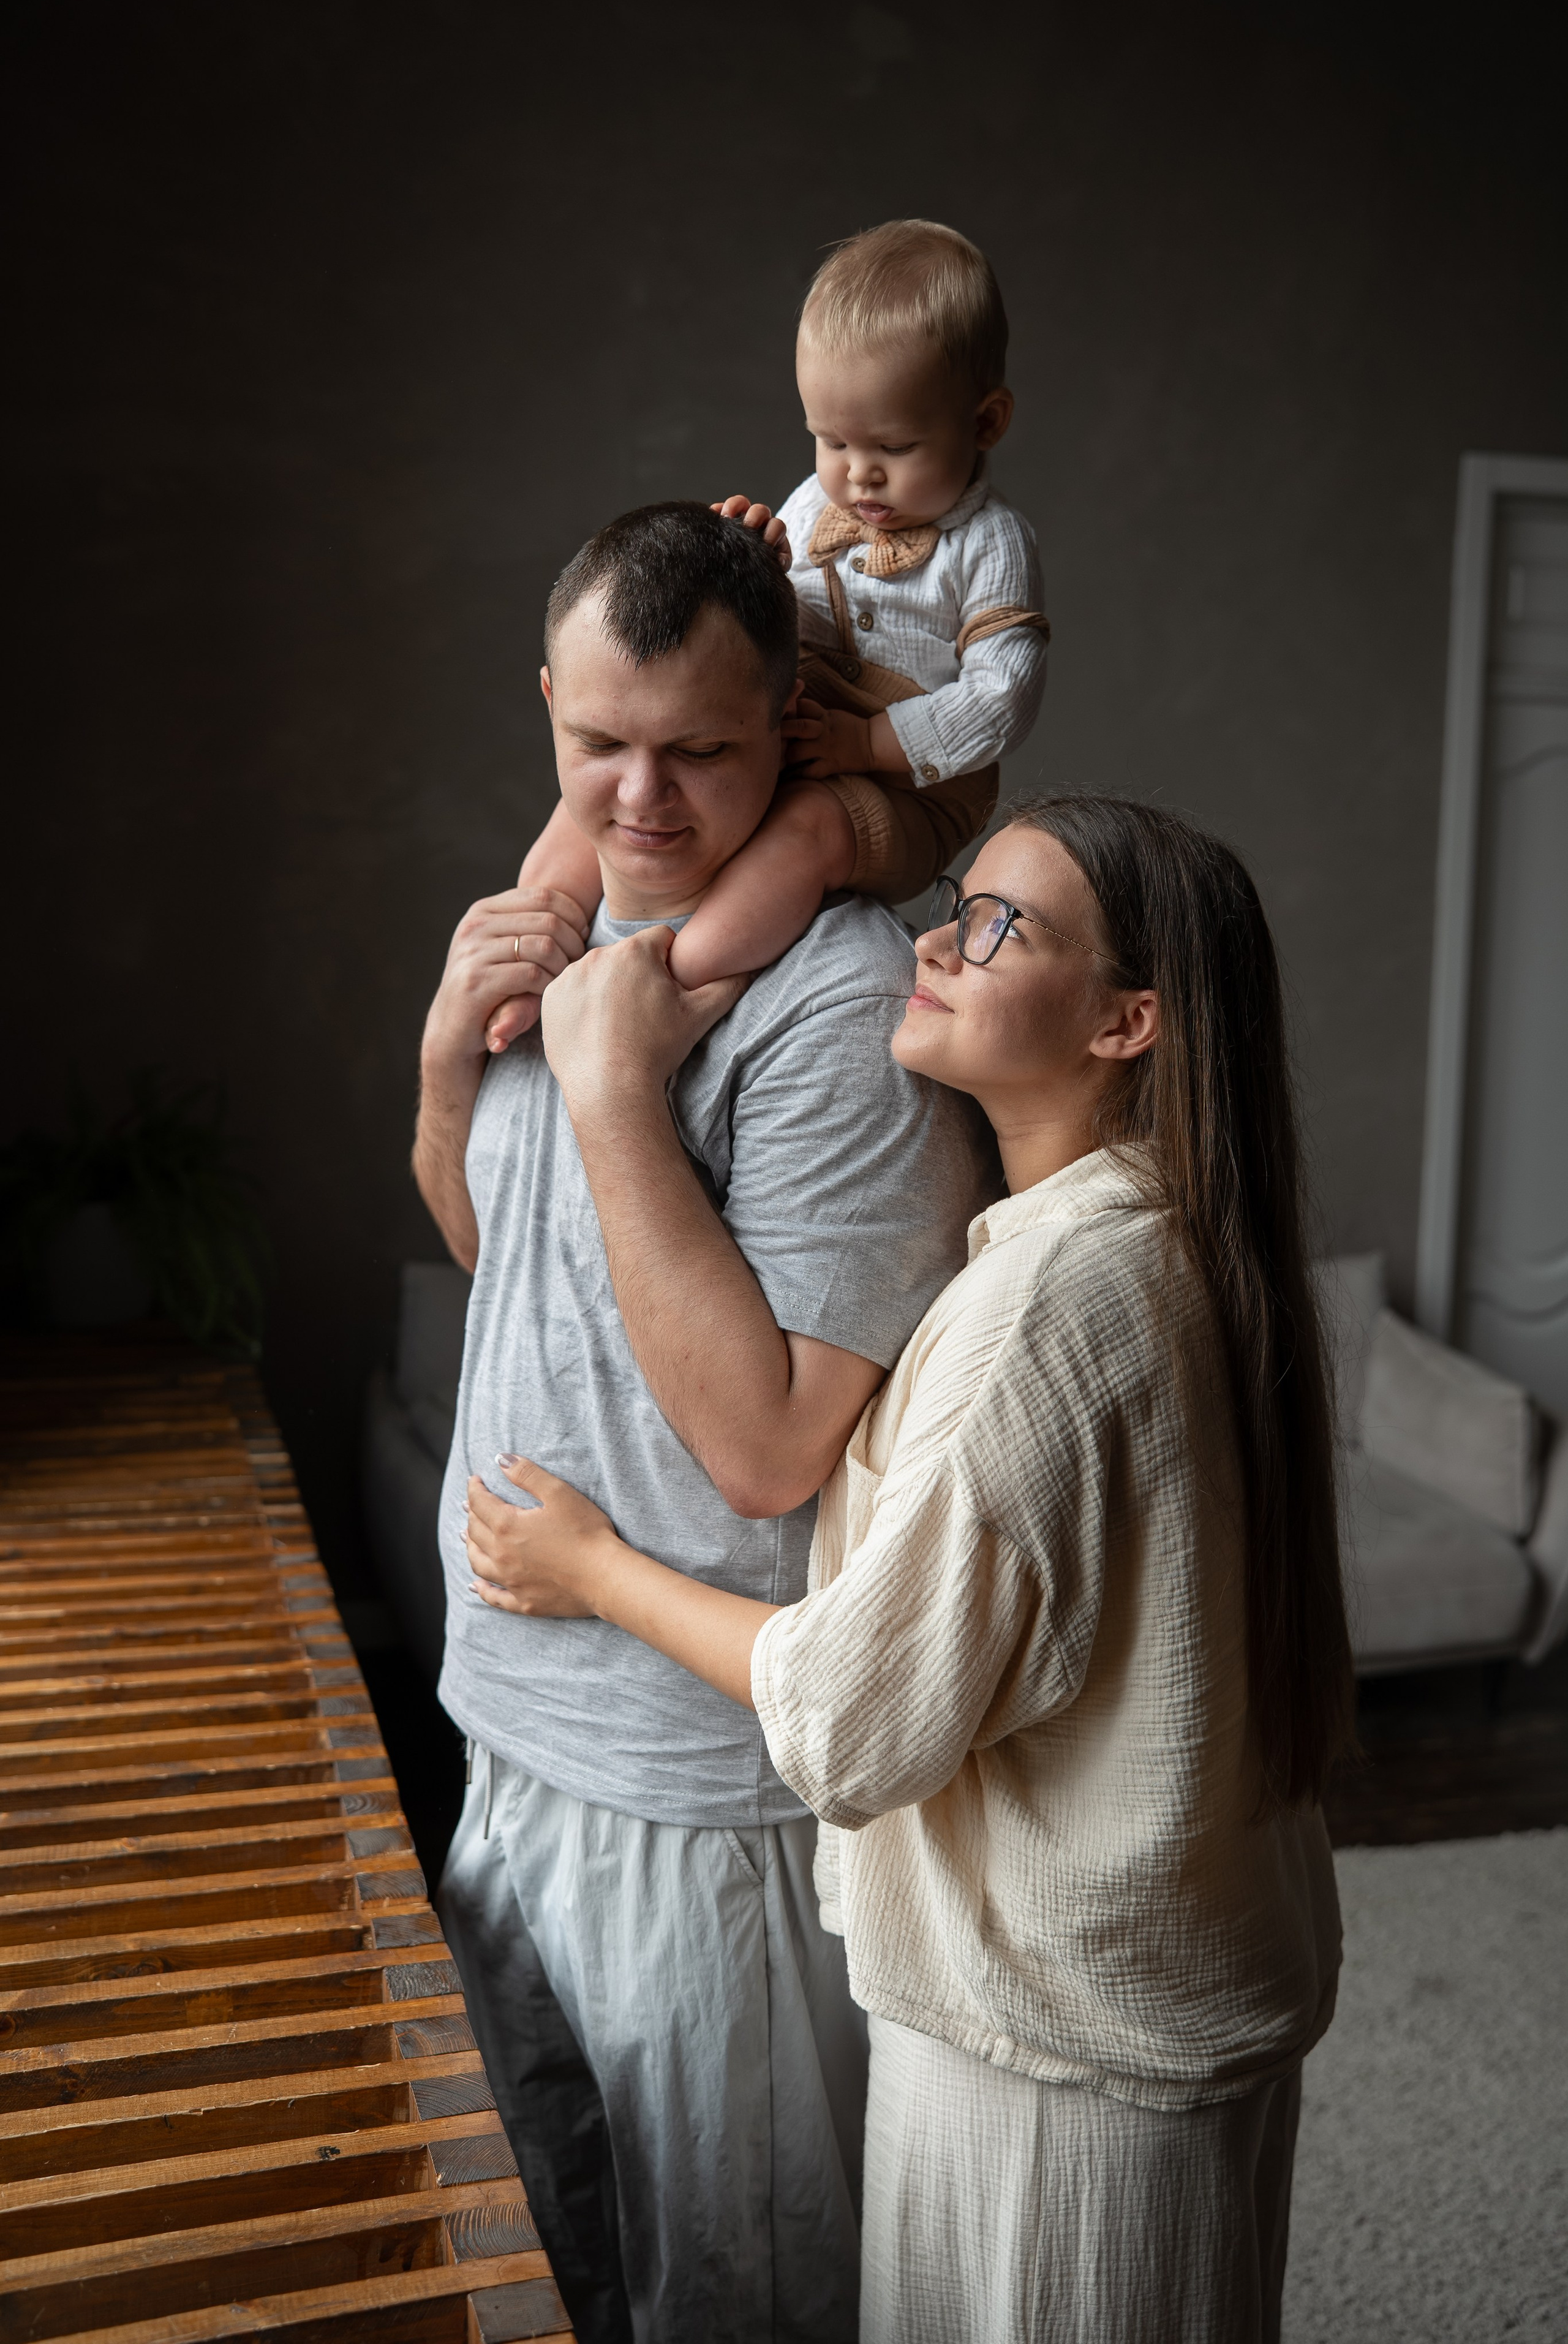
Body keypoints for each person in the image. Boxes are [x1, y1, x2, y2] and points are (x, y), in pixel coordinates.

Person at [461, 793, 1355, 2344]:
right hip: (1146, 2001)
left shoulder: (1047, 1313)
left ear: (1126, 1019)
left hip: (1061, 2056)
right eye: (960, 898)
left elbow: (849, 1721)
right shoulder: (1161, 1247)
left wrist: (592, 1568)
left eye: (998, 926)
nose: (932, 941)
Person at [412, 501, 997, 2344]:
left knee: (725, 2300)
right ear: (549, 707)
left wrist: (607, 1089)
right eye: (600, 744)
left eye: (701, 752)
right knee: (538, 2266)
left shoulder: (837, 1015)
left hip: (696, 1806)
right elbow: (498, 1249)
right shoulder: (563, 921)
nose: (641, 798)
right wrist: (451, 1059)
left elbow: (768, 1450)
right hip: (504, 1722)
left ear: (793, 733)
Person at [483, 218, 1047, 1049]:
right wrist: (754, 559)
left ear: (987, 421)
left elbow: (1003, 701)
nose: (859, 474)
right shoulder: (824, 505)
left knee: (807, 829)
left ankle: (663, 984)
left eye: (893, 446)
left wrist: (866, 743)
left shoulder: (992, 546)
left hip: (905, 785)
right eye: (832, 441)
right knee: (600, 788)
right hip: (792, 722)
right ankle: (531, 954)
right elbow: (760, 630)